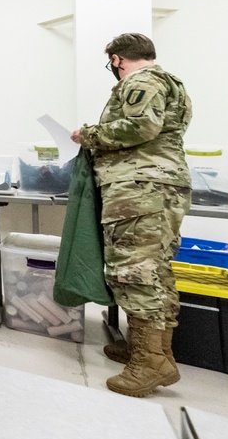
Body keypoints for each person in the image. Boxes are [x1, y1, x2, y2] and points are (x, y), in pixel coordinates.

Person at [70, 33, 192, 398]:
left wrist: (89, 134)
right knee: (155, 270)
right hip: (159, 186)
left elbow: (141, 126)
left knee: (134, 271)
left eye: (112, 62)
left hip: (139, 187)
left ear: (117, 59)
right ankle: (156, 352)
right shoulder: (172, 83)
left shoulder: (141, 82)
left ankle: (148, 362)